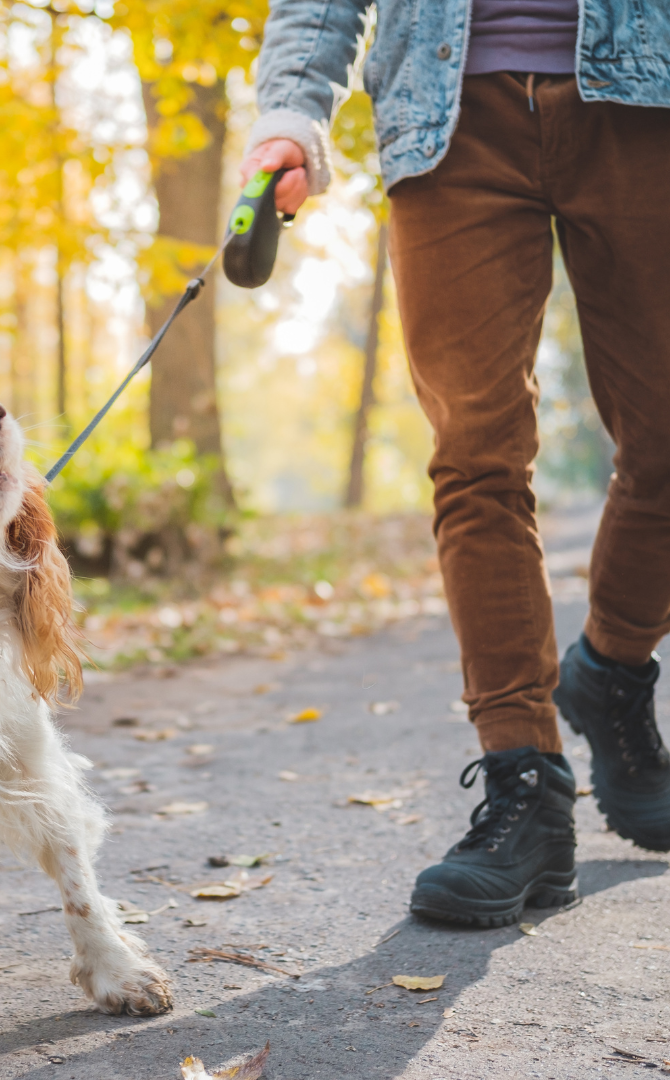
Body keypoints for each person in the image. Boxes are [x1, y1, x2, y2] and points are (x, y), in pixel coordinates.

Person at [240, 1, 670, 926]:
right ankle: (526, 784)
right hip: (446, 115)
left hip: (647, 100)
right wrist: (291, 109)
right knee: (476, 456)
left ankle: (615, 668)